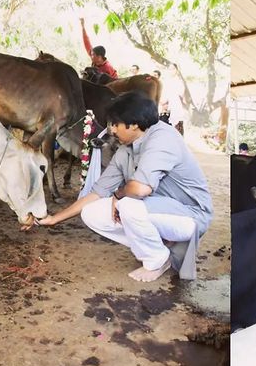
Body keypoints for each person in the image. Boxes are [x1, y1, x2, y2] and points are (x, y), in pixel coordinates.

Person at [37, 91, 213, 281]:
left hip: (190, 216)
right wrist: (54, 219)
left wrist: (119, 195)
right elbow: (97, 192)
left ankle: (157, 259)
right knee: (91, 213)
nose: (111, 130)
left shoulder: (162, 138)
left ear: (134, 124)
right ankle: (159, 247)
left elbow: (140, 189)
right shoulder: (125, 149)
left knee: (127, 204)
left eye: (115, 124)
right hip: (158, 210)